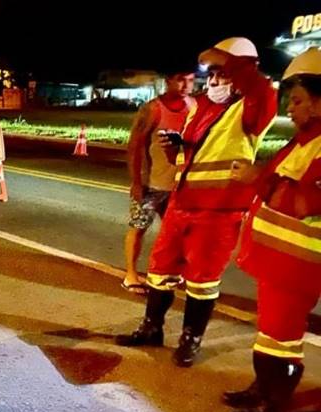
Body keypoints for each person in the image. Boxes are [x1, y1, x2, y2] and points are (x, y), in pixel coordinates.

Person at [116, 37, 278, 367]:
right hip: (181, 203)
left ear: (243, 70)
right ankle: (152, 328)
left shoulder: (253, 105)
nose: (214, 79)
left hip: (219, 210)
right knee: (160, 270)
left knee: (202, 281)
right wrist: (176, 147)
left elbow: (258, 90)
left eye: (222, 71)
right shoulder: (202, 106)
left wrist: (227, 58)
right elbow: (195, 152)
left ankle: (192, 339)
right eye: (213, 73)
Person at [221, 48, 321, 412]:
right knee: (270, 334)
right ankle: (263, 389)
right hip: (280, 262)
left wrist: (257, 178)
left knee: (282, 341)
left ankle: (273, 408)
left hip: (298, 266)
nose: (290, 109)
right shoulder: (304, 140)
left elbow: (304, 201)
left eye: (297, 101)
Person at [122, 68, 196, 294]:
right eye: (180, 80)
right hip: (151, 184)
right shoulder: (153, 109)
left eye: (190, 81)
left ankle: (173, 272)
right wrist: (136, 181)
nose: (185, 86)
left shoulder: (194, 106)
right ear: (168, 81)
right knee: (139, 227)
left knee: (178, 232)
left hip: (179, 185)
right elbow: (135, 147)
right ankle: (131, 274)